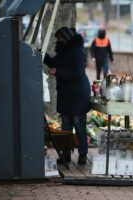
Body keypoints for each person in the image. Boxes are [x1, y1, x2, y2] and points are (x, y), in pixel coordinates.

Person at [43, 27, 91, 165]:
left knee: (78, 124)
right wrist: (43, 55)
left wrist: (58, 72)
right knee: (66, 126)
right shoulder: (63, 50)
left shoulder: (78, 52)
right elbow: (55, 63)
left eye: (60, 38)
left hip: (78, 94)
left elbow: (77, 74)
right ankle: (66, 155)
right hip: (65, 94)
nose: (58, 41)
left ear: (66, 38)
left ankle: (82, 154)